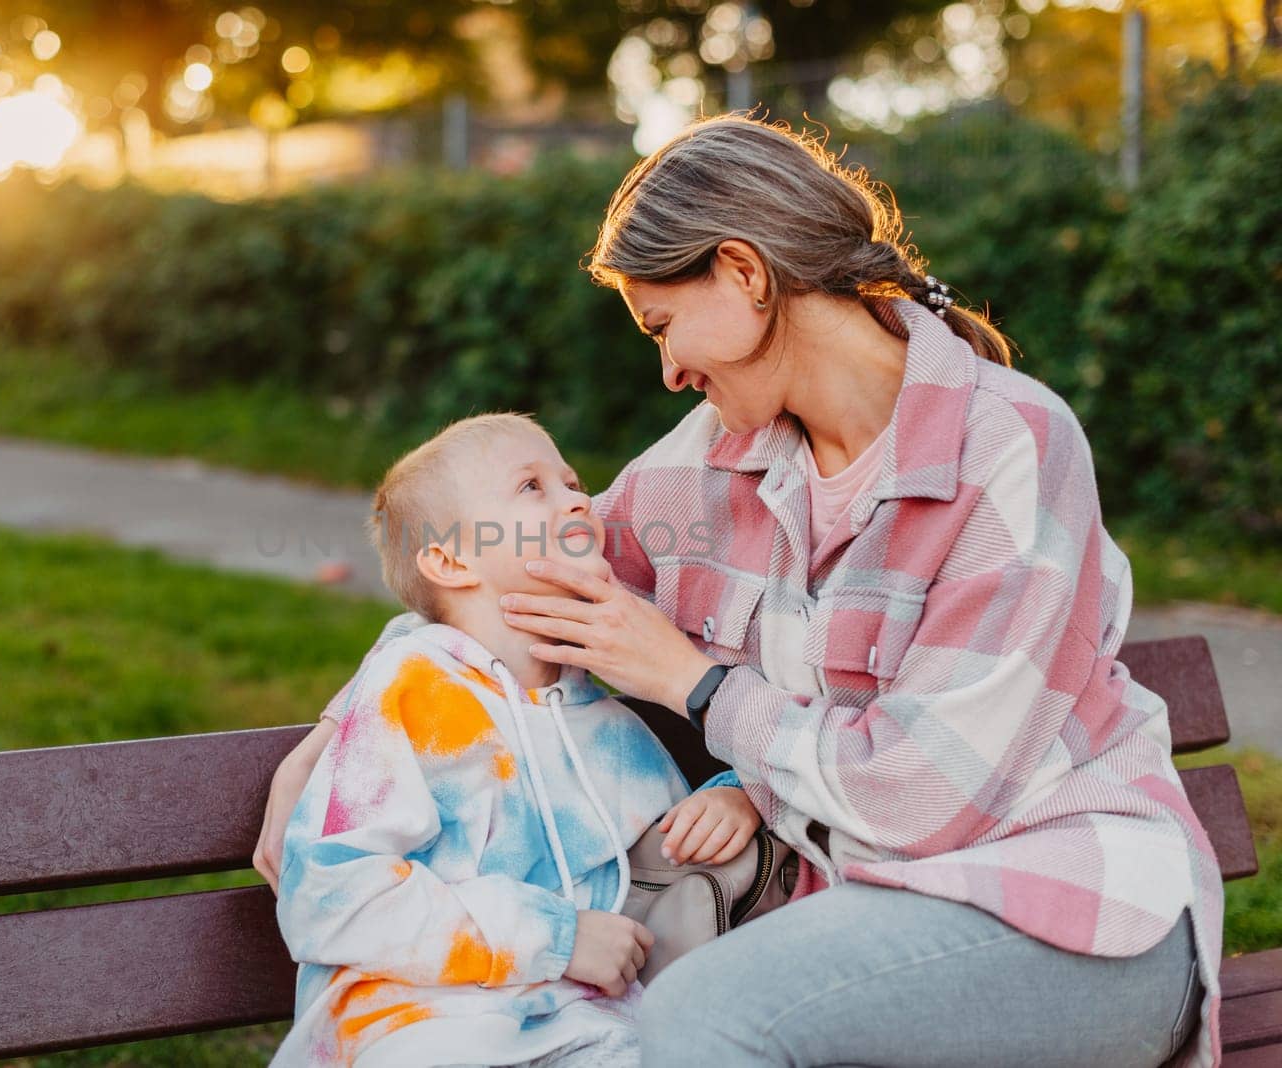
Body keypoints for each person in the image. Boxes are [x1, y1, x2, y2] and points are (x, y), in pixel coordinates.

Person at [256, 113, 1224, 1068]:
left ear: (744, 273)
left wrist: (699, 686)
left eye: (664, 325)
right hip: (858, 918)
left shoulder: (1007, 446)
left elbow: (924, 801)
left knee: (697, 1021)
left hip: (1070, 915)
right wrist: (327, 749)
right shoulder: (711, 463)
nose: (669, 370)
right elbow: (514, 579)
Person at [270, 413, 761, 1067]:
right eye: (532, 486)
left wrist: (736, 794)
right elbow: (329, 900)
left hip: (588, 1030)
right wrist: (555, 939)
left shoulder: (613, 731)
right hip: (413, 1028)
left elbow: (660, 868)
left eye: (572, 480)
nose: (579, 499)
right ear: (449, 560)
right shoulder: (417, 691)